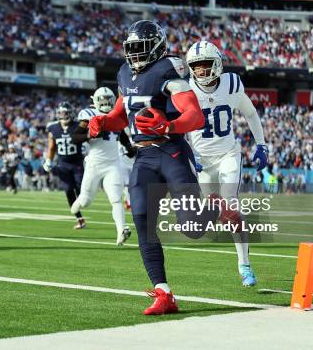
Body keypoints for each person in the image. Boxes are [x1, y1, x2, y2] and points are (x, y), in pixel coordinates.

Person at [88, 20, 206, 315]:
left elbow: (195, 115)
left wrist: (170, 124)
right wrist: (102, 122)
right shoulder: (125, 73)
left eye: (140, 49)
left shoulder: (169, 69)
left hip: (172, 151)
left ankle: (215, 206)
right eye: (131, 49)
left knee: (192, 228)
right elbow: (120, 116)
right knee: (142, 222)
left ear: (156, 46)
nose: (135, 55)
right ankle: (164, 293)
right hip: (143, 158)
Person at [185, 40, 268, 287]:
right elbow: (180, 130)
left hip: (228, 155)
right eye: (196, 66)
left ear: (218, 64)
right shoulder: (186, 89)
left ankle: (244, 265)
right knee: (214, 207)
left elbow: (250, 113)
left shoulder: (231, 84)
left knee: (231, 203)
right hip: (202, 161)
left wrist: (261, 144)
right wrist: (190, 157)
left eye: (205, 64)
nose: (201, 70)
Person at [69, 87, 136, 245]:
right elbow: (74, 137)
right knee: (85, 201)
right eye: (103, 100)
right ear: (95, 101)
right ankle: (78, 204)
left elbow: (122, 135)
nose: (106, 103)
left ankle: (122, 229)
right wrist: (89, 135)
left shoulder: (116, 116)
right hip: (94, 165)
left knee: (116, 199)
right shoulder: (89, 115)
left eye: (108, 99)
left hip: (113, 165)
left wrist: (129, 149)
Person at [43, 102, 86, 229]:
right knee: (68, 190)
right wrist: (48, 160)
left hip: (77, 162)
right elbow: (51, 147)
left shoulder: (78, 125)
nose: (64, 115)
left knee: (80, 189)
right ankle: (79, 218)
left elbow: (87, 138)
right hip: (63, 164)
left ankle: (80, 208)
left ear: (71, 113)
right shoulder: (53, 128)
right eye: (61, 113)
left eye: (66, 113)